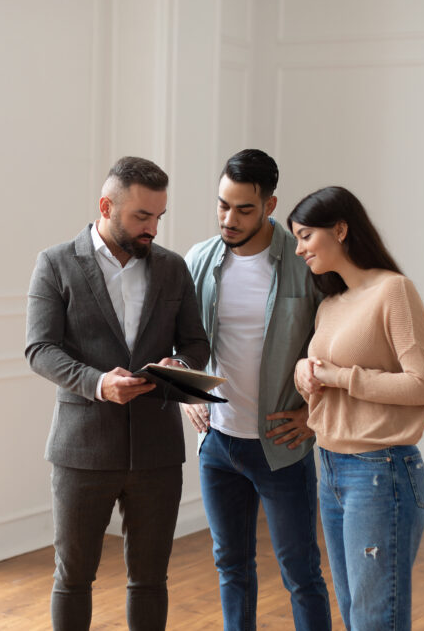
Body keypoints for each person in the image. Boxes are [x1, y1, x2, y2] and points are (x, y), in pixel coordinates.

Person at [25, 156, 210, 631]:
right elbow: (40, 349)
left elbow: (195, 342)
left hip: (157, 452)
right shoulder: (56, 263)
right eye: (141, 217)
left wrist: (181, 366)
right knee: (73, 577)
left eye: (158, 217)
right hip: (82, 447)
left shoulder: (171, 268)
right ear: (106, 206)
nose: (152, 228)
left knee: (150, 578)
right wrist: (98, 384)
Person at [182, 149, 332, 630]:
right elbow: (184, 342)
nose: (229, 218)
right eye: (223, 205)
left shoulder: (303, 262)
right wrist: (187, 392)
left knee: (301, 574)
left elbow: (339, 347)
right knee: (231, 568)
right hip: (218, 445)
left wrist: (313, 416)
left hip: (281, 446)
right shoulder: (199, 261)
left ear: (270, 205)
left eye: (244, 208)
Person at [288, 186, 424, 631]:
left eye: (305, 236)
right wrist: (304, 371)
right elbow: (326, 373)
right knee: (357, 614)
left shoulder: (394, 291)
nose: (299, 249)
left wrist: (337, 376)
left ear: (340, 229)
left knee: (376, 619)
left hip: (380, 471)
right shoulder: (331, 303)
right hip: (331, 467)